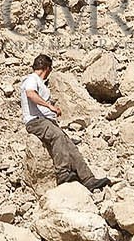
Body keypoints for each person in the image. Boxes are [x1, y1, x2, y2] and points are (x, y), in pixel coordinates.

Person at [20, 55, 109, 190]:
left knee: (70, 146)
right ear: (47, 68)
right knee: (58, 136)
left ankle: (88, 179)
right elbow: (31, 94)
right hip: (35, 121)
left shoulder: (38, 81)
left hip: (45, 121)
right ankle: (62, 173)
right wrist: (49, 106)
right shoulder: (32, 79)